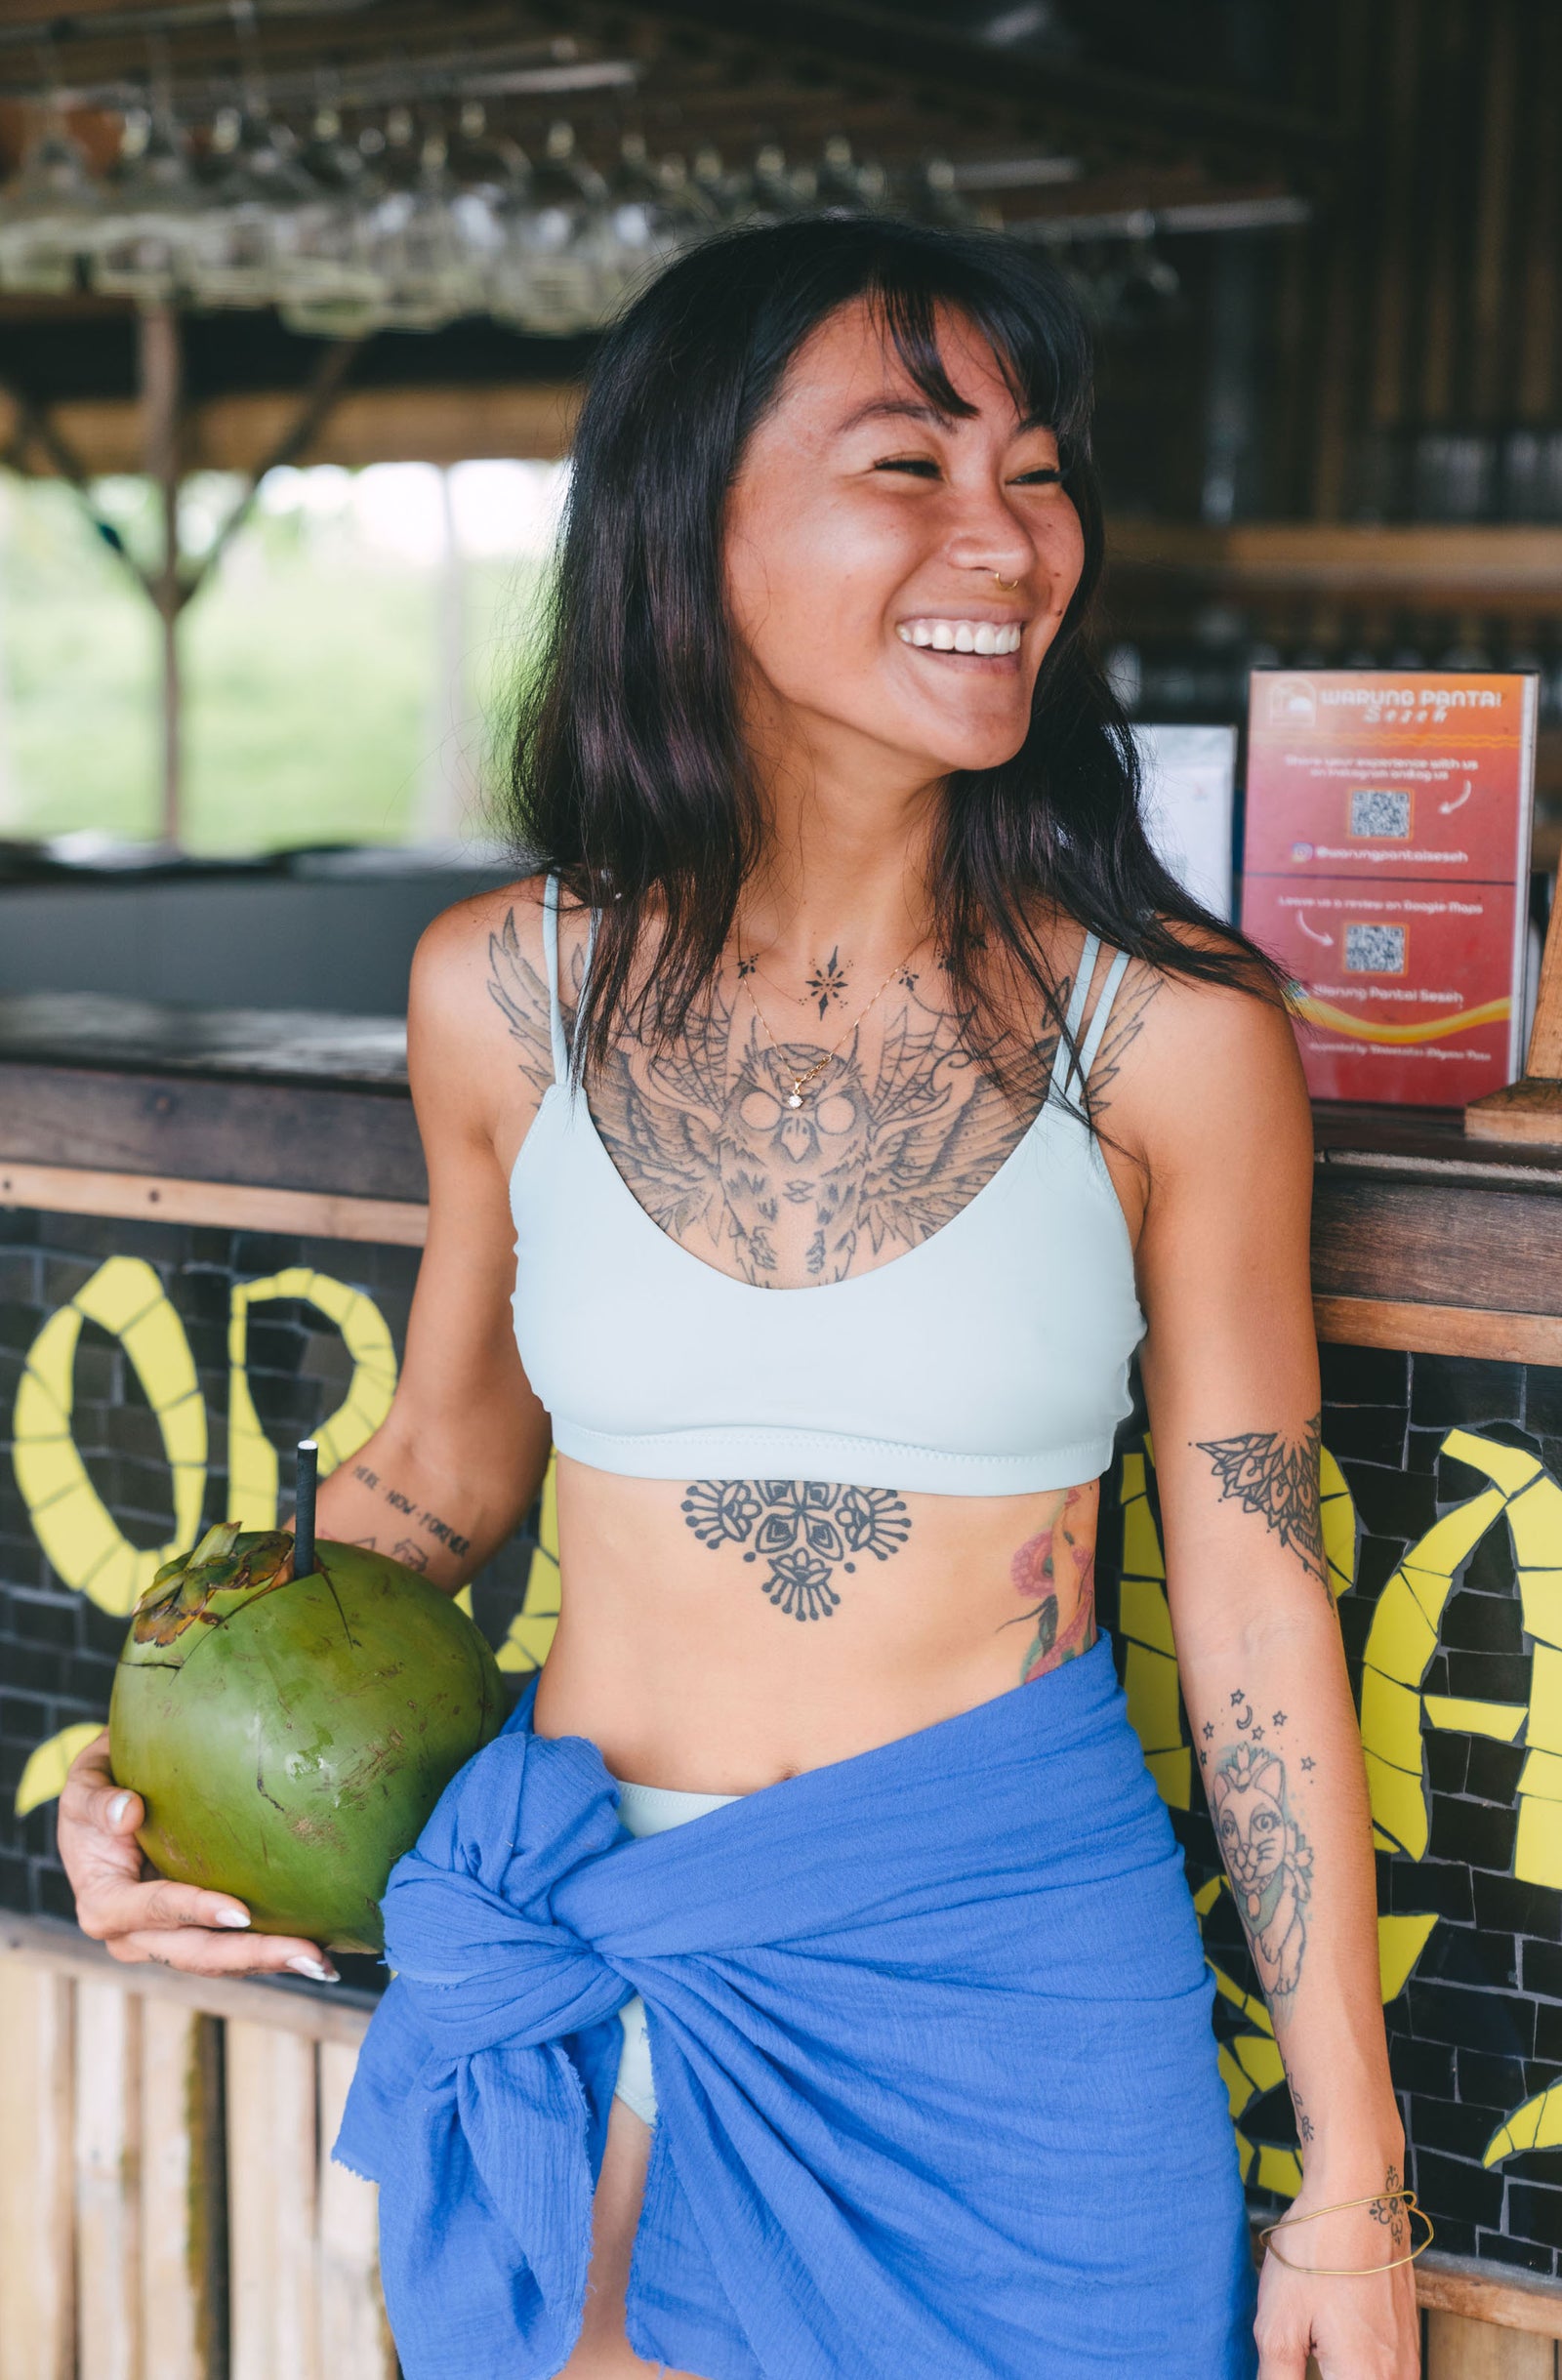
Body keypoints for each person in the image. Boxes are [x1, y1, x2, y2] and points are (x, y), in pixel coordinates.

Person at [58, 218, 1418, 2380]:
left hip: (1006, 1977)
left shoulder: (1167, 1034)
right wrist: (140, 1782)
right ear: (686, 531)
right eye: (910, 464)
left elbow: (1255, 1601)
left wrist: (1348, 2180)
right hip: (591, 1947)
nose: (1009, 536)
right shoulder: (501, 996)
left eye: (1038, 471)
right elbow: (436, 1474)